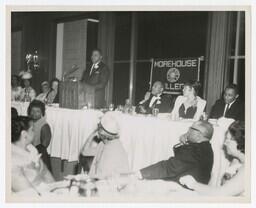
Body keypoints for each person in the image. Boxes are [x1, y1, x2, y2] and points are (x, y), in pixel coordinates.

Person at [134, 121, 214, 184]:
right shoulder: (205, 147)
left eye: (191, 129)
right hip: (189, 183)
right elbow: (182, 160)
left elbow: (169, 167)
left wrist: (140, 173)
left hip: (186, 190)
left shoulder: (195, 151)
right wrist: (187, 138)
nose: (188, 131)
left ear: (199, 135)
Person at [180, 121, 245, 196]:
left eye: (228, 139)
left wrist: (193, 184)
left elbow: (222, 193)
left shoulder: (248, 169)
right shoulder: (236, 161)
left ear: (241, 141)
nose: (225, 143)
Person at [80, 112, 130, 179]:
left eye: (98, 126)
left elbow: (101, 179)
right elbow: (84, 152)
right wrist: (93, 134)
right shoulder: (104, 143)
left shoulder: (112, 151)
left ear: (102, 132)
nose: (97, 127)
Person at [11, 116, 54, 192]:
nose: (35, 132)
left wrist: (55, 190)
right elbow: (27, 192)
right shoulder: (13, 159)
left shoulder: (31, 149)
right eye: (32, 130)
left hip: (43, 189)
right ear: (24, 134)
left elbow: (45, 172)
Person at [27, 100, 52, 171]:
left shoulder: (44, 125)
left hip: (39, 154)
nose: (34, 113)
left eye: (38, 111)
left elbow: (44, 144)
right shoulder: (28, 122)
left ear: (42, 113)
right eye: (32, 111)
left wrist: (33, 152)